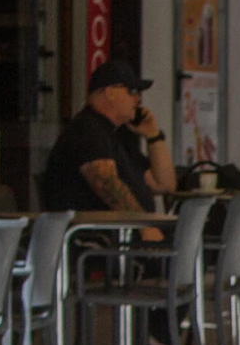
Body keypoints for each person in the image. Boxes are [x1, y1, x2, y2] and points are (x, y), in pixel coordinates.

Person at [40, 59, 176, 240]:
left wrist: (153, 136)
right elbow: (106, 183)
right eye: (132, 91)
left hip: (125, 237)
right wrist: (143, 227)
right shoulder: (87, 130)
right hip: (99, 242)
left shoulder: (115, 136)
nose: (138, 99)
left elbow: (164, 184)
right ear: (110, 93)